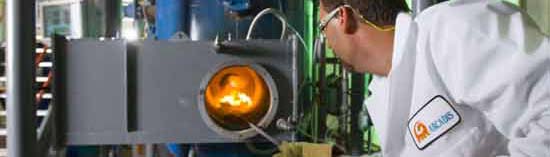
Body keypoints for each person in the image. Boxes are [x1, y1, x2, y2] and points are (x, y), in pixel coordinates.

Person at [318, 0, 550, 156]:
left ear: (343, 17)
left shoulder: (451, 31)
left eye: (322, 27)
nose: (325, 40)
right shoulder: (383, 93)